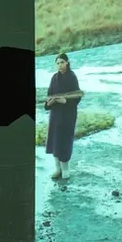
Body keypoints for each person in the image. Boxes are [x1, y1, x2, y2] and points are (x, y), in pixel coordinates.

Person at [44, 54, 82, 183]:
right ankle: (57, 169)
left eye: (62, 62)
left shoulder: (72, 77)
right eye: (57, 63)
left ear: (67, 63)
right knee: (55, 140)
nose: (59, 65)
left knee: (65, 140)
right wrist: (49, 103)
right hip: (55, 114)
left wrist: (65, 100)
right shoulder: (54, 78)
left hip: (68, 114)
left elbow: (77, 96)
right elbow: (49, 94)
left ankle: (66, 169)